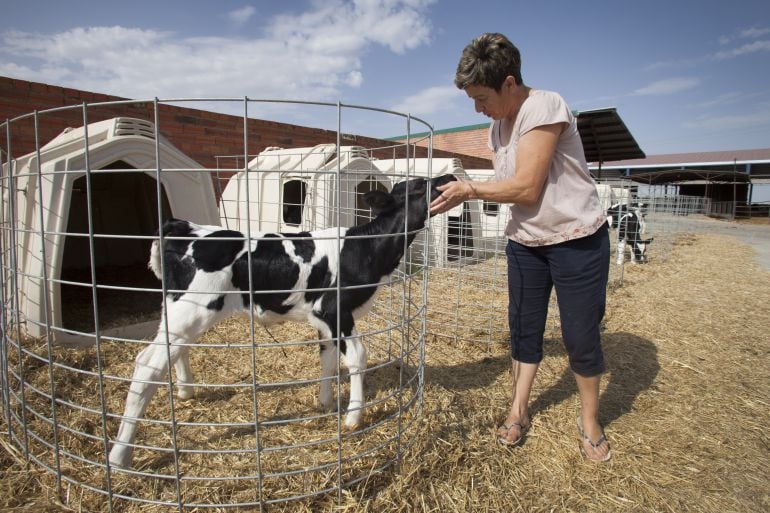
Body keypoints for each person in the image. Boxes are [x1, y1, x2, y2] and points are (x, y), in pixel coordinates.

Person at [430, 33, 611, 461]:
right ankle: (518, 409)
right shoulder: (498, 124)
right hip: (526, 242)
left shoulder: (544, 106)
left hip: (575, 240)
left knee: (580, 335)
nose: (477, 108)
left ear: (509, 83)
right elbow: (514, 190)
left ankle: (590, 421)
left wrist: (469, 189)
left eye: (481, 97)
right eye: (472, 99)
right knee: (523, 329)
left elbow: (527, 187)